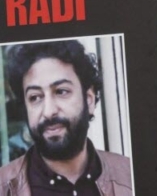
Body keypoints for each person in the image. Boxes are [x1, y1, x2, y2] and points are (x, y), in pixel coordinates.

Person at [0, 40, 133, 195]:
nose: (49, 111)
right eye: (35, 97)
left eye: (61, 91)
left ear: (89, 99)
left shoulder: (130, 176)